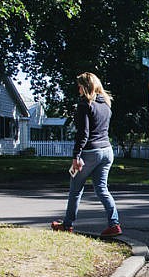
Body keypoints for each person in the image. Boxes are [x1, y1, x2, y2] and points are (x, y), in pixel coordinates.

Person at [51, 72, 122, 237]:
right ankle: (114, 224)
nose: (78, 88)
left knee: (75, 190)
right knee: (102, 189)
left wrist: (76, 155)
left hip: (91, 152)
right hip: (107, 151)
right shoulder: (106, 104)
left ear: (86, 86)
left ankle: (67, 225)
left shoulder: (85, 104)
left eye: (80, 85)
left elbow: (83, 133)